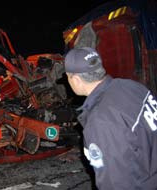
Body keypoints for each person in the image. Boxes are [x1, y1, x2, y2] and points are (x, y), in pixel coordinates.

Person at [64, 47, 157, 190]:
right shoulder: (131, 86)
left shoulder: (101, 120)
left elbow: (115, 182)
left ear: (76, 79)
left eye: (68, 77)